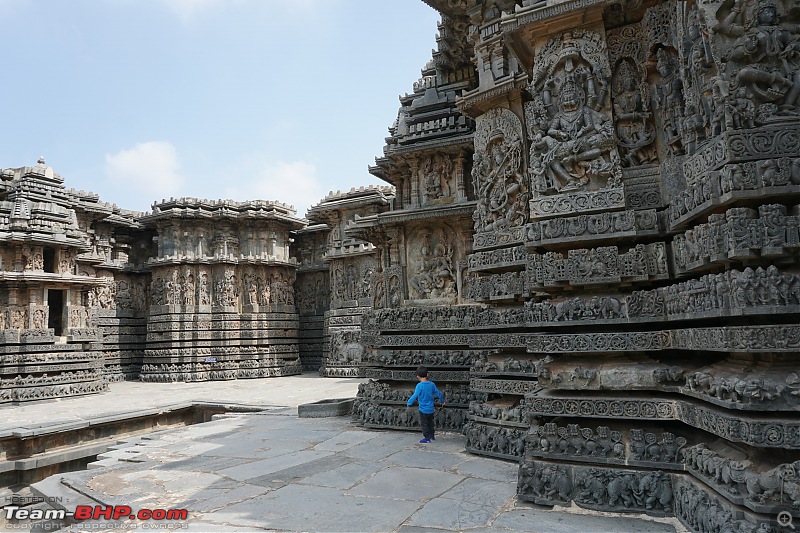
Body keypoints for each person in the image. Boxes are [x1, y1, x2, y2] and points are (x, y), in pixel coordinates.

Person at [406, 366, 445, 443]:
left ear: (417, 376)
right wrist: (442, 401)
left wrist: (409, 403)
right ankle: (432, 435)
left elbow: (415, 395)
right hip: (431, 408)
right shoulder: (432, 384)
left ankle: (426, 438)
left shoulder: (419, 386)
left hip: (423, 409)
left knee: (424, 424)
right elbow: (438, 393)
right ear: (427, 374)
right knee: (431, 422)